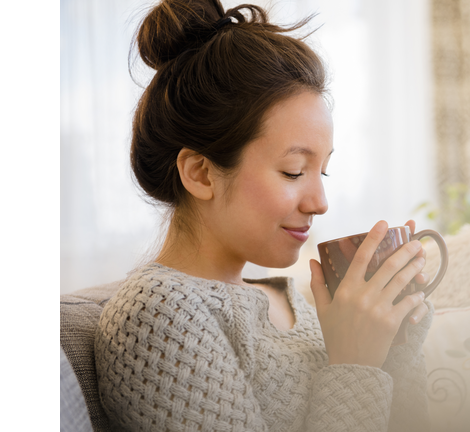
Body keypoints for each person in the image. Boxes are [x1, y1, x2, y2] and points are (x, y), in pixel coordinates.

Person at [94, 1, 433, 431]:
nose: (320, 201)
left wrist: (393, 345)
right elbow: (351, 390)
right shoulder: (157, 314)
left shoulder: (290, 299)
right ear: (200, 174)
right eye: (294, 171)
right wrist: (355, 364)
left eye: (322, 170)